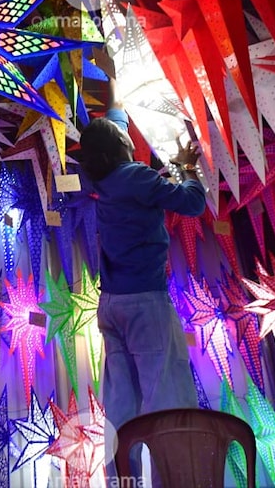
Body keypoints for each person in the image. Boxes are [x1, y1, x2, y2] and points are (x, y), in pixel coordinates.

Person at [79, 101, 206, 482]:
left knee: (121, 403)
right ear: (117, 149)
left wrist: (117, 91)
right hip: (145, 305)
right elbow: (192, 203)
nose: (129, 138)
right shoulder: (135, 175)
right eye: (124, 136)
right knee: (167, 395)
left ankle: (122, 479)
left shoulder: (101, 179)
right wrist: (187, 168)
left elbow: (110, 131)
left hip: (112, 304)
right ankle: (179, 479)